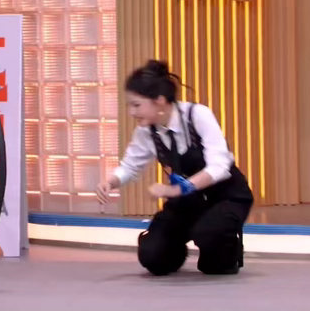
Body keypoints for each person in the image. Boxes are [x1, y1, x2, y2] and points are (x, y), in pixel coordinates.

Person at [96, 60, 253, 275]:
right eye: (129, 106)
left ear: (159, 101)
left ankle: (225, 246)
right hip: (188, 202)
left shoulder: (197, 115)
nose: (131, 112)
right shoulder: (145, 132)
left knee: (213, 256)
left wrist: (178, 189)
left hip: (226, 196)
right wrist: (110, 182)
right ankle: (180, 243)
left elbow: (220, 166)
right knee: (153, 256)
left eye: (136, 105)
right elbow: (130, 166)